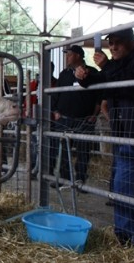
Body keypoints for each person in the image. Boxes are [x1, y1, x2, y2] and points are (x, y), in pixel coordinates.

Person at [75, 28, 134, 249]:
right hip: (126, 137)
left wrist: (106, 66)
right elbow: (99, 80)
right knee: (123, 189)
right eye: (111, 43)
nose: (114, 47)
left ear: (131, 42)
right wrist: (84, 76)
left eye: (118, 42)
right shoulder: (115, 65)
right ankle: (125, 237)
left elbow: (131, 85)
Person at [50, 45, 100, 187]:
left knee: (83, 149)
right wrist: (55, 111)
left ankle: (80, 179)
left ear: (78, 55)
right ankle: (64, 178)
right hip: (64, 118)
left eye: (69, 54)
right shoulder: (64, 73)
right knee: (63, 148)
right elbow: (57, 92)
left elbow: (99, 95)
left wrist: (94, 114)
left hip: (84, 118)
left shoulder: (92, 72)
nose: (67, 57)